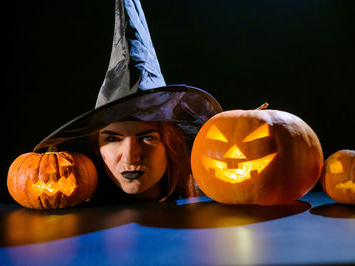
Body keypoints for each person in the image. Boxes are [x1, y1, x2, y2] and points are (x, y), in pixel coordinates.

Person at [33, 0, 222, 204]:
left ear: (171, 145)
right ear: (97, 148)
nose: (131, 157)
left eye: (148, 137)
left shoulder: (214, 206)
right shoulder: (76, 223)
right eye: (113, 139)